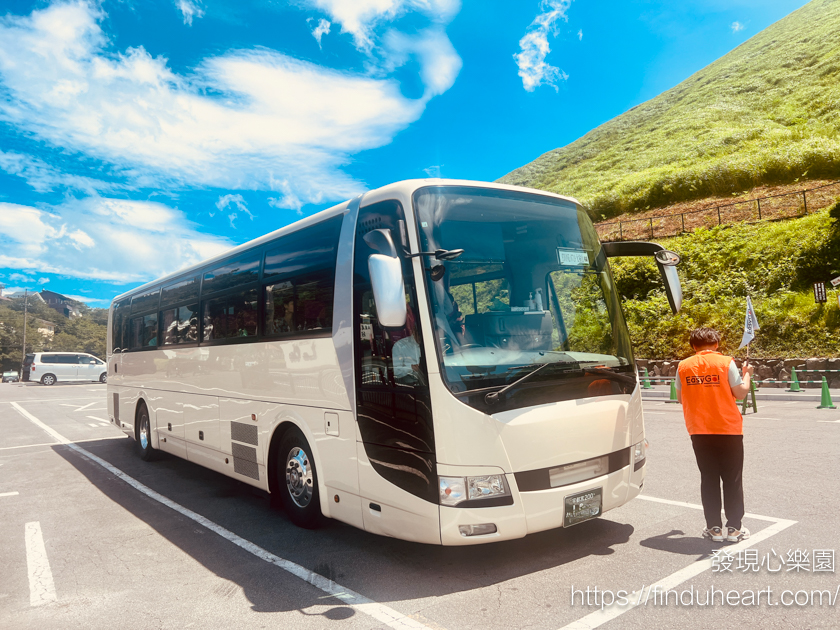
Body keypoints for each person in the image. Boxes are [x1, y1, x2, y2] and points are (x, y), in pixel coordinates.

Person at [676, 327, 754, 543]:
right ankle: (734, 529)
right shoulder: (726, 362)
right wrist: (747, 374)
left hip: (699, 429)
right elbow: (739, 393)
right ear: (717, 344)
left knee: (708, 478)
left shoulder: (683, 366)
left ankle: (714, 529)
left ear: (693, 346)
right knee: (732, 479)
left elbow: (681, 398)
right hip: (728, 429)